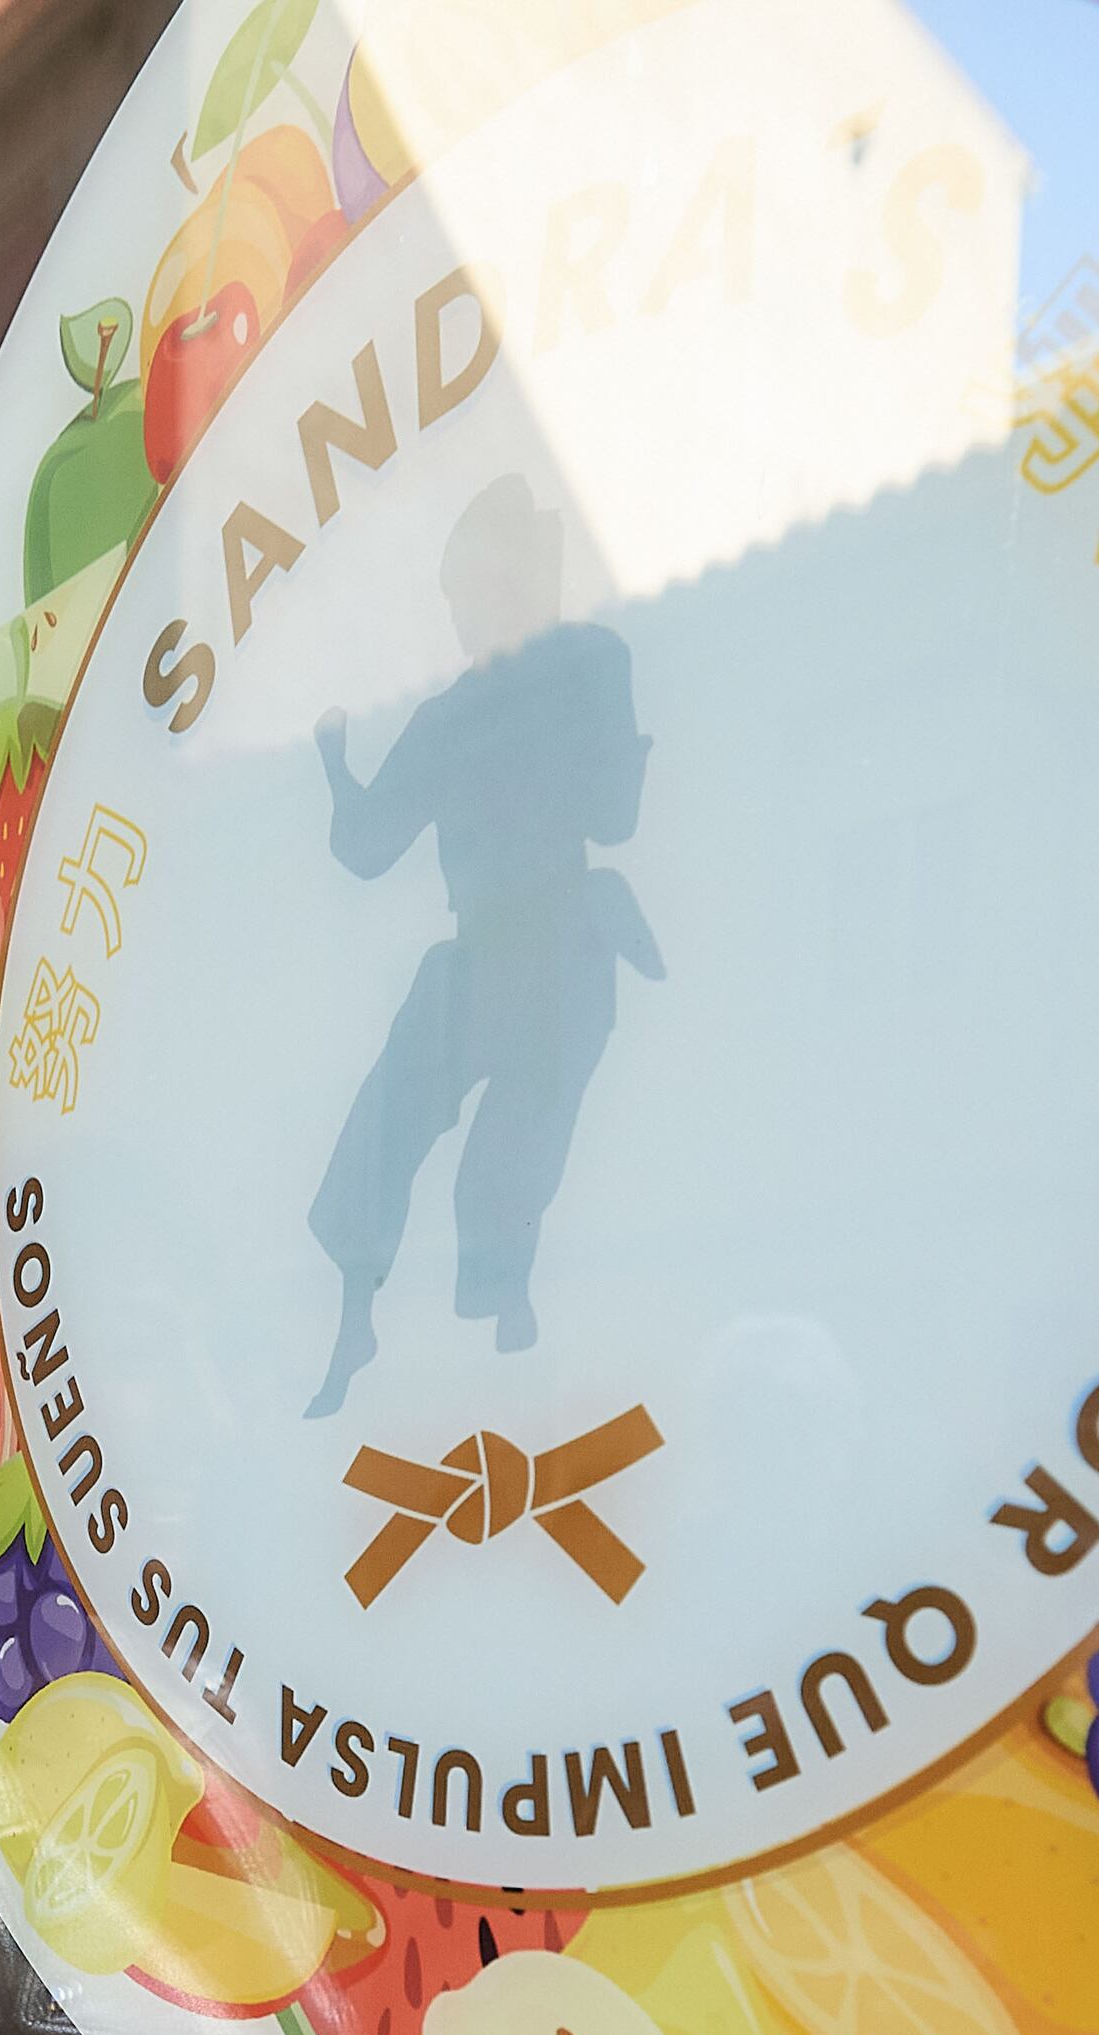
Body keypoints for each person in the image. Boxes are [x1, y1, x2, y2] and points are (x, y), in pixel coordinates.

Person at [304, 471, 662, 1418]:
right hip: (478, 958)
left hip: (560, 942)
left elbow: (612, 812)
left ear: (531, 579)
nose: (467, 619)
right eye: (457, 601)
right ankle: (358, 1316)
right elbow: (369, 846)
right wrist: (339, 773)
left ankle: (506, 1327)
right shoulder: (451, 714)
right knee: (383, 1125)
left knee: (511, 1153)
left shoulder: (587, 663)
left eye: (480, 590)